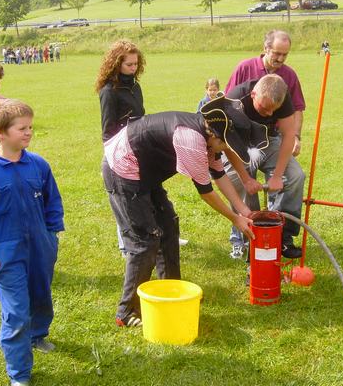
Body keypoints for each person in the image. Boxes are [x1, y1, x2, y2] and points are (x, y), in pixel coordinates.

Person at [102, 94, 265, 327]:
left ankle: (172, 293)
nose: (225, 150)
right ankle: (125, 312)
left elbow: (218, 174)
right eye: (225, 145)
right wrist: (234, 218)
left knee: (168, 227)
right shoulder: (191, 140)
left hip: (145, 172)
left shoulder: (209, 137)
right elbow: (206, 192)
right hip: (122, 169)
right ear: (215, 136)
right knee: (145, 241)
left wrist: (243, 210)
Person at [0, 99, 64, 385]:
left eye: (30, 127)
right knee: (15, 312)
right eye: (22, 128)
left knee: (40, 295)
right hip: (4, 253)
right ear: (0, 132)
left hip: (40, 246)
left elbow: (53, 202)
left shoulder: (38, 165)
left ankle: (38, 335)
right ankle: (19, 373)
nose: (29, 133)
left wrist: (52, 235)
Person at [224, 30, 306, 259]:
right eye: (277, 53)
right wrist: (246, 177)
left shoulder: (287, 81)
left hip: (270, 139)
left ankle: (280, 234)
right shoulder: (240, 83)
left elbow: (289, 132)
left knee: (295, 176)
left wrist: (278, 175)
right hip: (238, 139)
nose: (280, 59)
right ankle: (242, 238)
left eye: (285, 55)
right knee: (237, 180)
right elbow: (225, 138)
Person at [96, 40, 146, 259]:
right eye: (129, 65)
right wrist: (119, 155)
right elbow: (107, 130)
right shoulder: (109, 91)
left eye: (136, 64)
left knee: (145, 192)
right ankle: (125, 245)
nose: (133, 68)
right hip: (120, 150)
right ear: (116, 64)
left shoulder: (135, 86)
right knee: (123, 198)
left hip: (140, 145)